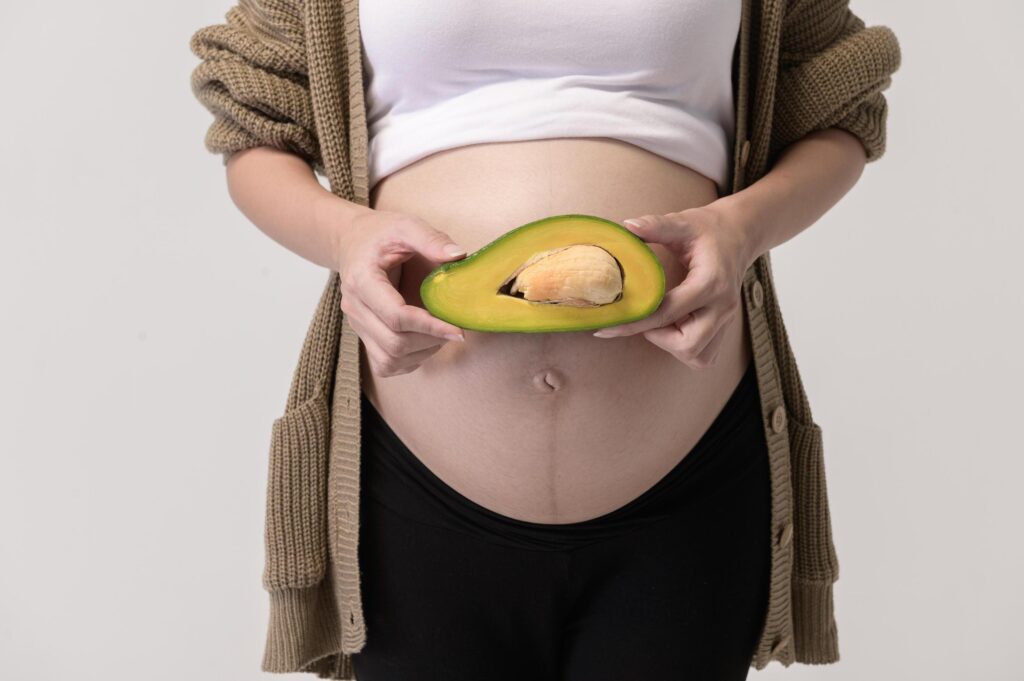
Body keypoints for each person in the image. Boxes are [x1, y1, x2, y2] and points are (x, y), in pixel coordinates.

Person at [188, 0, 902, 678]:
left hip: (689, 480)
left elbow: (841, 107)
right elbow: (254, 127)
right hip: (409, 485)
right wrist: (346, 239)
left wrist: (743, 229)